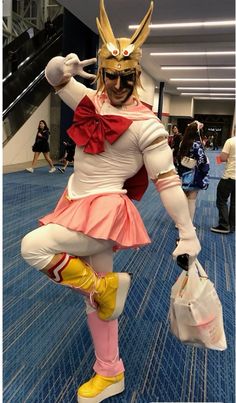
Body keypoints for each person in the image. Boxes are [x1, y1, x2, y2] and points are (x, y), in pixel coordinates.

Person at [21, 1, 200, 402]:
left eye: (127, 77)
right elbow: (53, 79)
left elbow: (167, 181)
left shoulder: (147, 125)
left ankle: (103, 288)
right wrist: (59, 66)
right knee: (101, 305)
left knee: (33, 247)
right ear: (102, 71)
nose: (118, 86)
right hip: (76, 202)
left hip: (106, 212)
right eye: (112, 76)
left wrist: (187, 232)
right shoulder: (91, 102)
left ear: (136, 75)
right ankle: (110, 370)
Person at [177, 121, 210, 225]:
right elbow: (202, 160)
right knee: (192, 199)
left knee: (183, 199)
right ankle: (188, 224)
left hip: (183, 173)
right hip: (194, 175)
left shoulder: (183, 142)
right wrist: (205, 170)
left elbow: (179, 158)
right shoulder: (196, 144)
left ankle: (179, 222)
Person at [211, 136, 235, 234]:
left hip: (230, 176)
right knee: (234, 203)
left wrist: (218, 159)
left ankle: (224, 225)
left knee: (221, 200)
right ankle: (232, 226)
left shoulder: (230, 141)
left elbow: (223, 158)